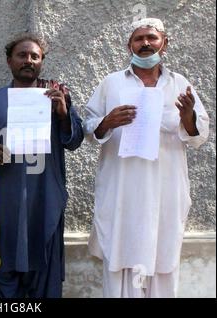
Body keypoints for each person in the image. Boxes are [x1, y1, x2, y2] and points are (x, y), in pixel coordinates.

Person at [83, 18, 209, 298]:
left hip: (165, 191)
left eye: (151, 38)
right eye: (139, 39)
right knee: (119, 262)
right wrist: (107, 122)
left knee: (163, 263)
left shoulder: (181, 84)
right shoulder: (111, 83)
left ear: (164, 43)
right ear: (129, 45)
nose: (145, 43)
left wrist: (188, 117)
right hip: (122, 191)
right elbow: (89, 128)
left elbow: (200, 135)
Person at [0, 33, 84, 298]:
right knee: (5, 262)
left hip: (45, 193)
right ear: (9, 61)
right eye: (22, 55)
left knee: (44, 263)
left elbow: (74, 141)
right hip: (7, 196)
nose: (29, 60)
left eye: (35, 56)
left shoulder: (56, 96)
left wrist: (62, 115)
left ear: (41, 62)